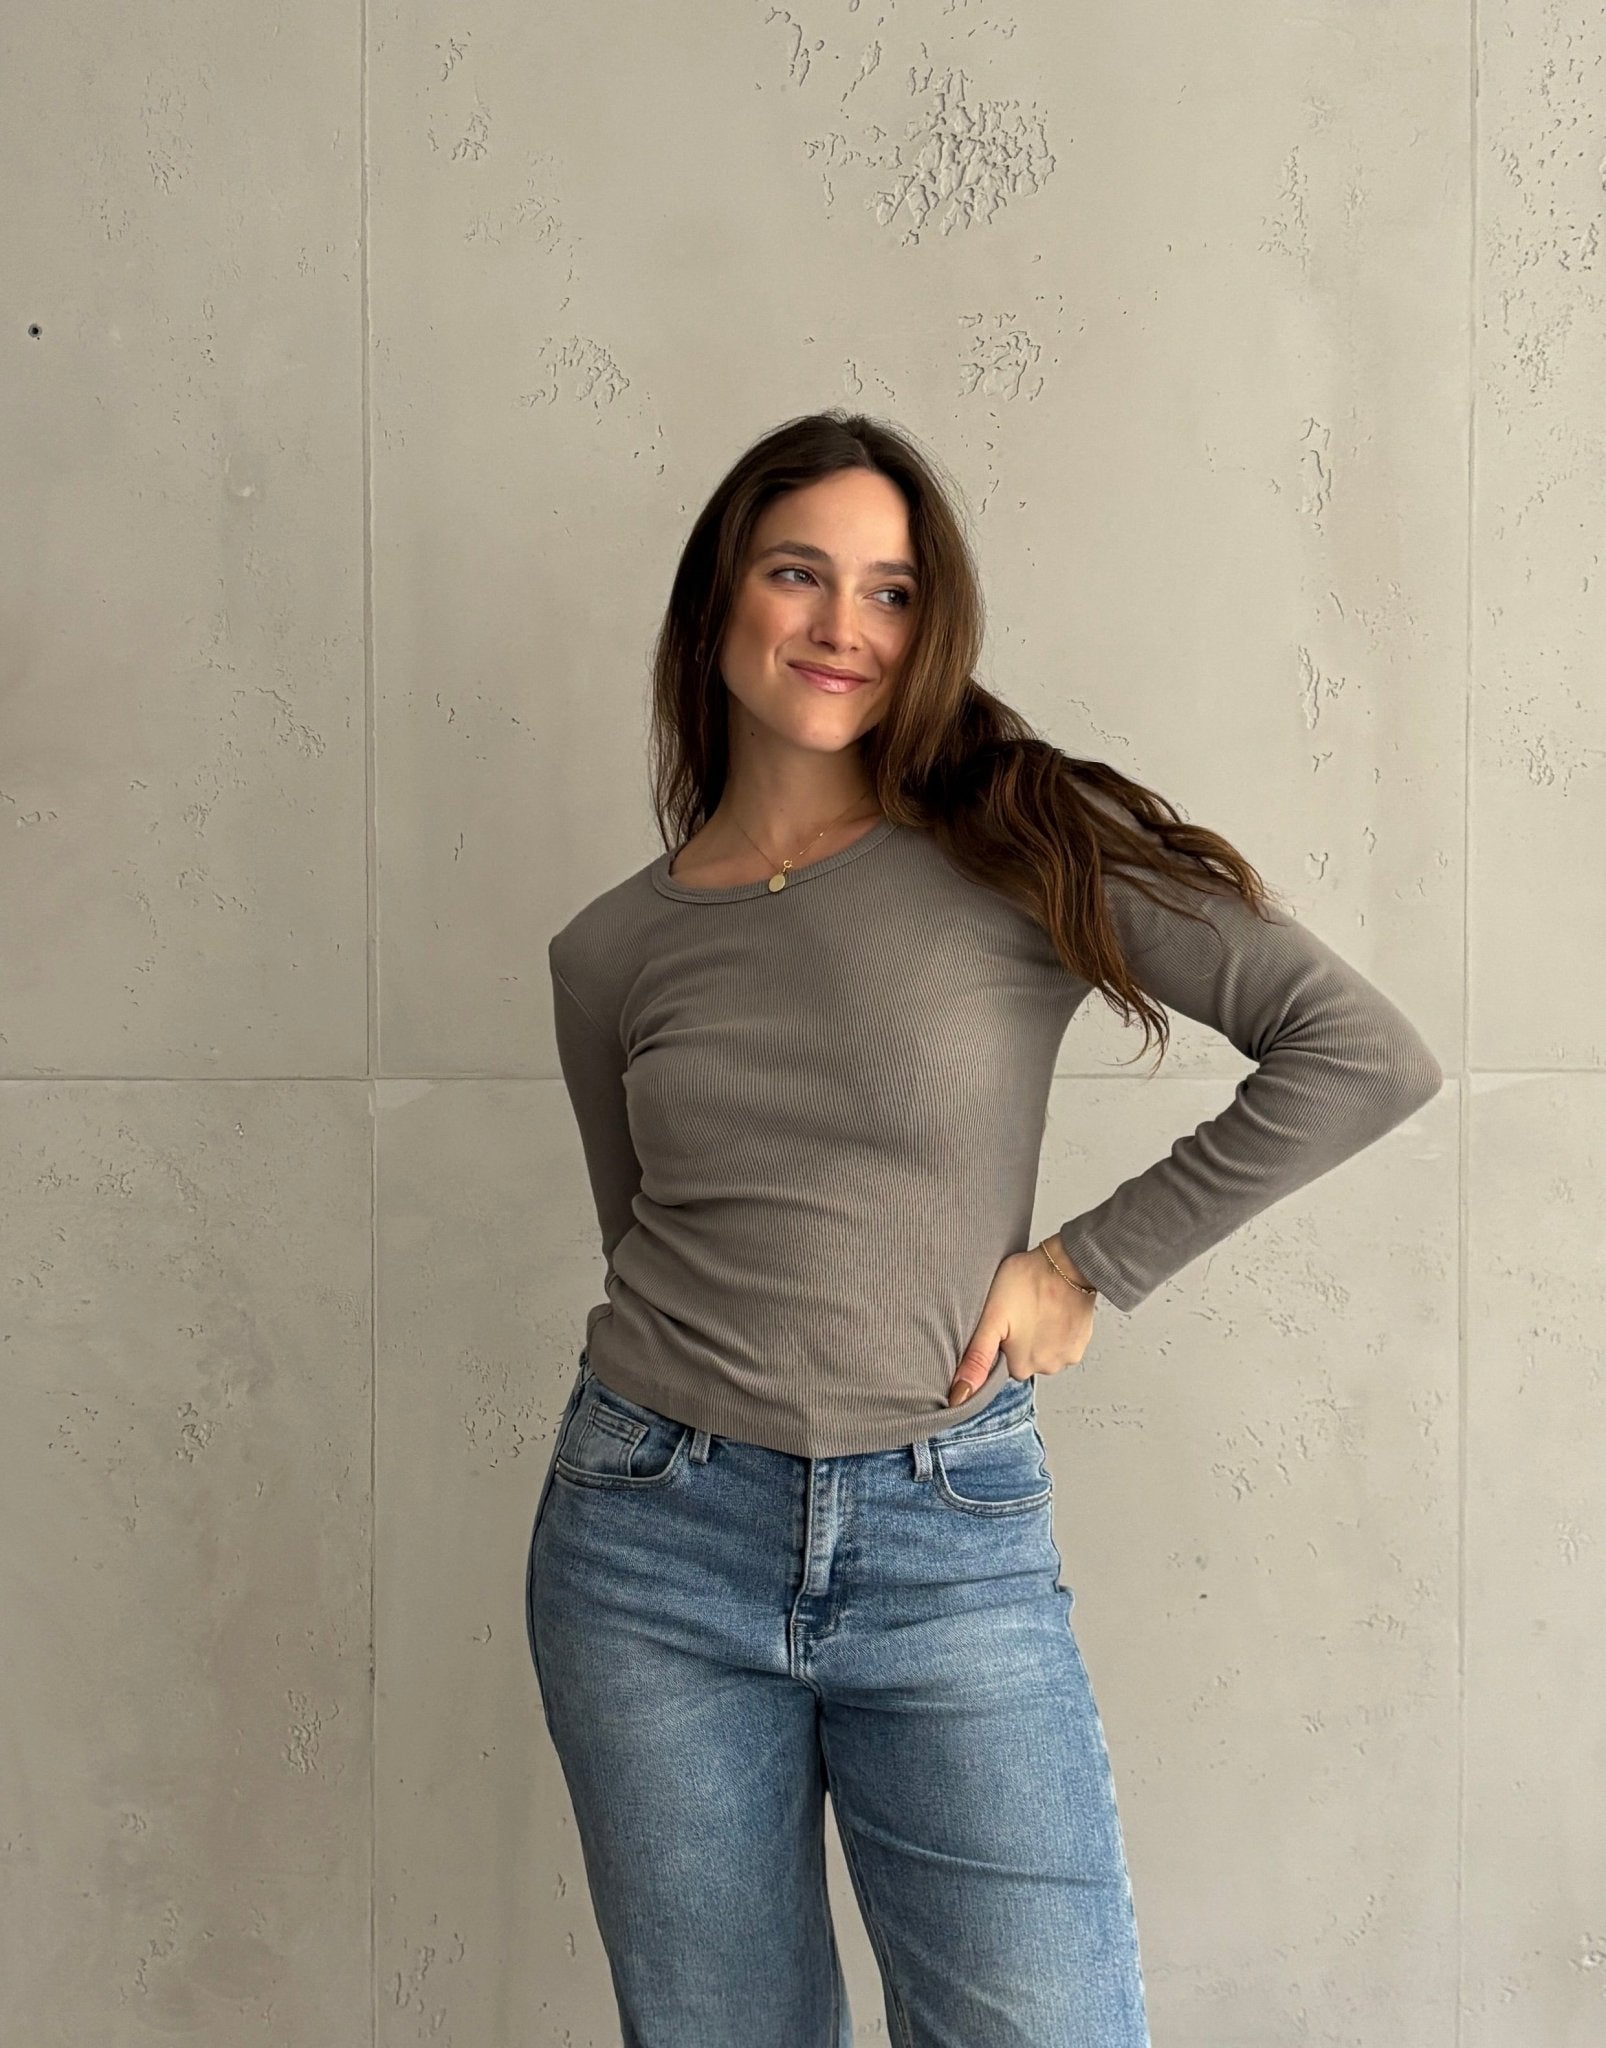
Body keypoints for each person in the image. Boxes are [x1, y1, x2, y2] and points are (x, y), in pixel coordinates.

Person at [525, 409, 1443, 2047]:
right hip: (648, 1537)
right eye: (797, 574)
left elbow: (1357, 1052)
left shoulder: (1009, 842)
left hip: (943, 1533)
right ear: (715, 599)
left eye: (888, 591)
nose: (842, 625)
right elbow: (642, 1236)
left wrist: (1089, 1260)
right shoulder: (609, 952)